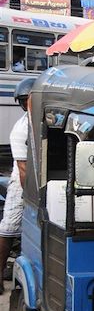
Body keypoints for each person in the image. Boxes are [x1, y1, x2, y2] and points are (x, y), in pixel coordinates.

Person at [0, 78, 35, 294]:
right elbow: (23, 171)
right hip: (21, 181)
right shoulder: (20, 129)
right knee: (9, 227)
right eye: (23, 102)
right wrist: (33, 200)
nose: (27, 105)